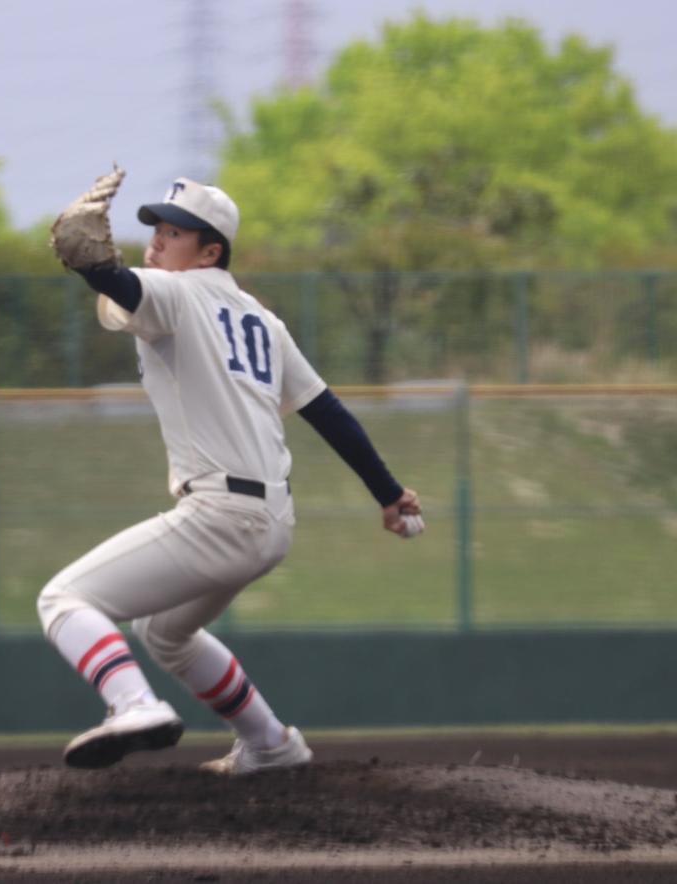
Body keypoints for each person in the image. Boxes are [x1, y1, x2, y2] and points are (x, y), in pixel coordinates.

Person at [38, 175, 423, 774]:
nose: (156, 241)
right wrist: (389, 494)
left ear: (210, 252)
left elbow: (120, 283)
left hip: (221, 515)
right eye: (156, 229)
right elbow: (328, 412)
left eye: (174, 233)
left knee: (64, 598)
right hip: (272, 522)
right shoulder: (263, 322)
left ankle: (134, 705)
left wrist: (92, 266)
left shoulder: (177, 293)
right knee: (165, 633)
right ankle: (270, 743)